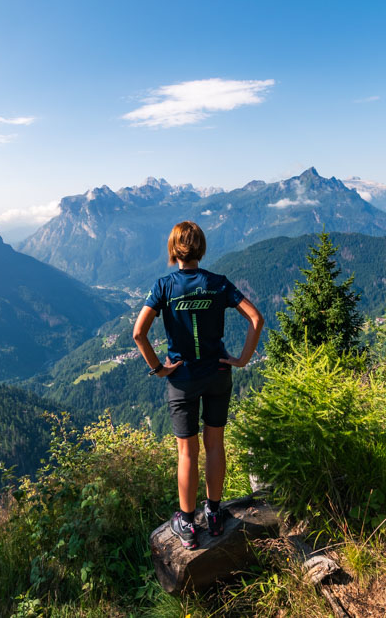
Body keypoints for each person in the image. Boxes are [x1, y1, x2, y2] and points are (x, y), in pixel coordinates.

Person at [132, 221, 264, 549]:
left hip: (182, 379)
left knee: (187, 452)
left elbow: (138, 333)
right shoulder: (218, 284)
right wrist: (243, 359)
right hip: (218, 373)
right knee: (215, 444)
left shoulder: (163, 287)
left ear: (173, 249)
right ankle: (215, 514)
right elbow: (256, 318)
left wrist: (159, 369)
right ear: (201, 248)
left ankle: (188, 523)